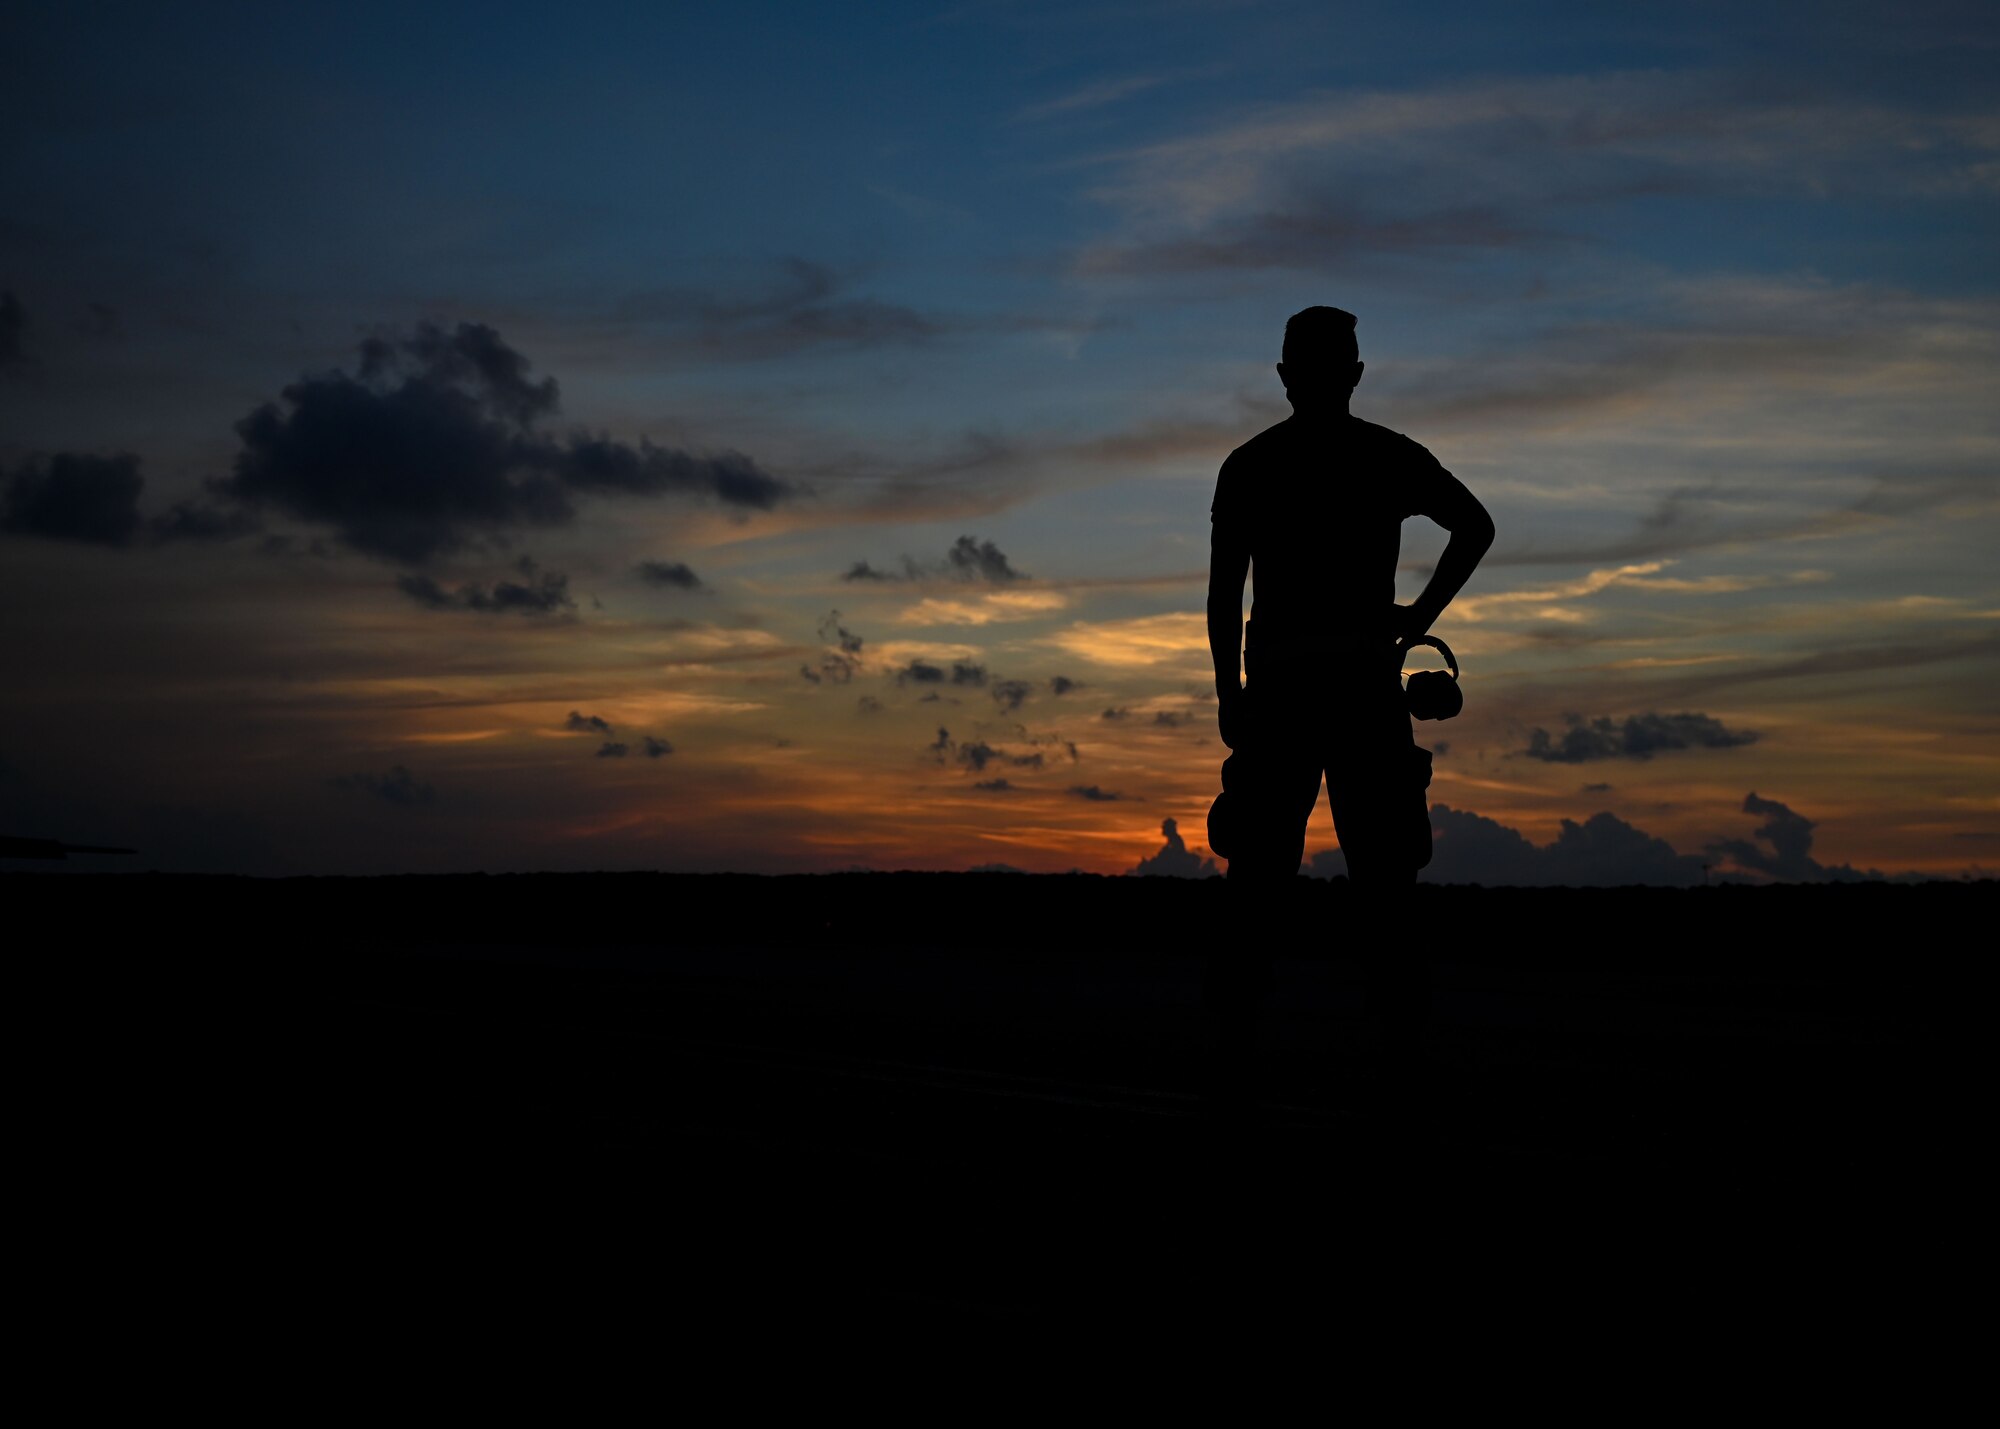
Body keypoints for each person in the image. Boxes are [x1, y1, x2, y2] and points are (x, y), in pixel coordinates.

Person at [1199, 306, 1494, 1116]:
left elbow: (1226, 596)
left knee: (1263, 874)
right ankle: (1399, 1051)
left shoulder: (1251, 466)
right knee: (1383, 877)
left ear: (1288, 375)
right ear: (1351, 375)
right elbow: (1475, 525)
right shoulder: (1385, 457)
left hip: (1289, 693)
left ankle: (1239, 1045)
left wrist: (1231, 691)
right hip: (1361, 689)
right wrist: (1418, 617)